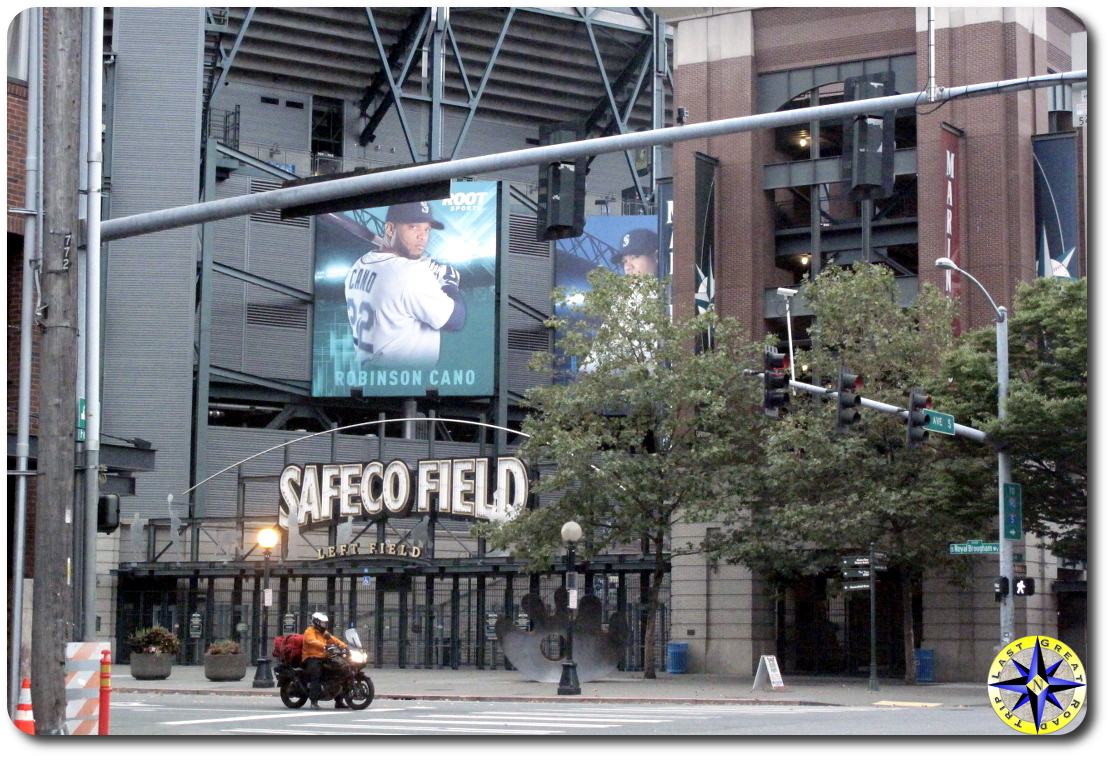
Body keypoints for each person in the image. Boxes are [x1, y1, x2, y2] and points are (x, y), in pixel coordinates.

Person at [344, 201, 466, 368]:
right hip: (401, 384)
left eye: (427, 229)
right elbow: (455, 320)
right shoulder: (410, 273)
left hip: (366, 380)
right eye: (413, 227)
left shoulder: (359, 265)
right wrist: (449, 282)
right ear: (390, 229)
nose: (422, 236)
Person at [301, 611, 346, 709]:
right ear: (316, 622)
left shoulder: (324, 633)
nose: (324, 625)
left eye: (325, 623)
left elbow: (333, 639)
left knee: (339, 672)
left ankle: (339, 701)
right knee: (316, 674)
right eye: (322, 623)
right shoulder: (309, 631)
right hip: (311, 657)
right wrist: (325, 646)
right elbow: (312, 641)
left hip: (323, 657)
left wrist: (344, 646)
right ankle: (314, 701)